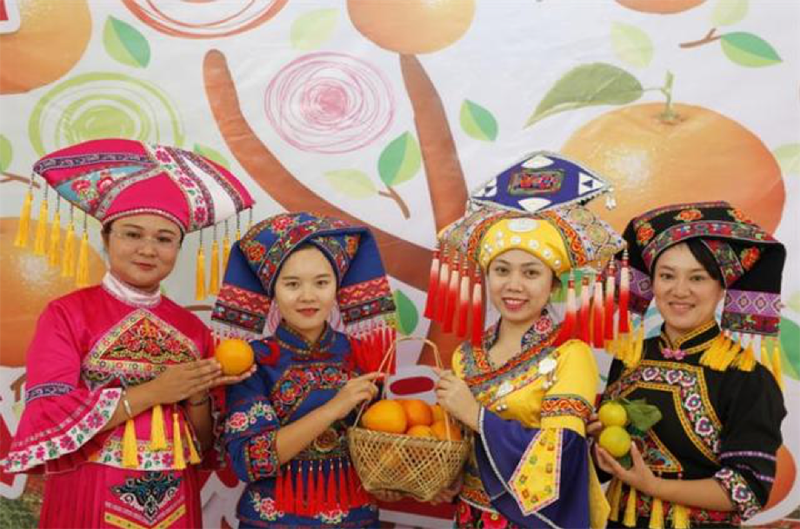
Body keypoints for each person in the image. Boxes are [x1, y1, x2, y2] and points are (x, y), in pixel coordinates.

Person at [1, 138, 255, 528]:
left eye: (164, 239)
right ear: (106, 238)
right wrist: (155, 392)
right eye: (133, 234)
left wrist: (196, 395)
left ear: (178, 247)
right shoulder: (67, 314)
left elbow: (203, 447)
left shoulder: (192, 330)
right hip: (89, 488)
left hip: (175, 498)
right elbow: (48, 416)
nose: (148, 250)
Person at [593, 201, 787, 528]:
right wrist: (596, 441)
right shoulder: (630, 357)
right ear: (652, 282)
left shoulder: (747, 377)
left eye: (697, 278)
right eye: (667, 276)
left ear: (721, 289)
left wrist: (653, 486)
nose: (679, 291)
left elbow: (747, 491)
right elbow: (603, 468)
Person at [431, 204, 623, 528]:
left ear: (554, 283)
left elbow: (562, 451)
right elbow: (458, 443)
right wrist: (449, 476)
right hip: (469, 516)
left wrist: (477, 416)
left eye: (531, 273)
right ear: (487, 276)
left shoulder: (570, 355)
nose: (514, 285)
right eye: (502, 270)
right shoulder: (465, 357)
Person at [212, 212, 398, 528]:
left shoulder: (360, 354)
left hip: (356, 518)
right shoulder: (253, 361)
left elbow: (379, 446)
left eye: (321, 282)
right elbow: (250, 461)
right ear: (272, 291)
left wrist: (390, 478)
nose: (308, 296)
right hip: (272, 521)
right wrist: (334, 408)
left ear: (337, 287)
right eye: (292, 284)